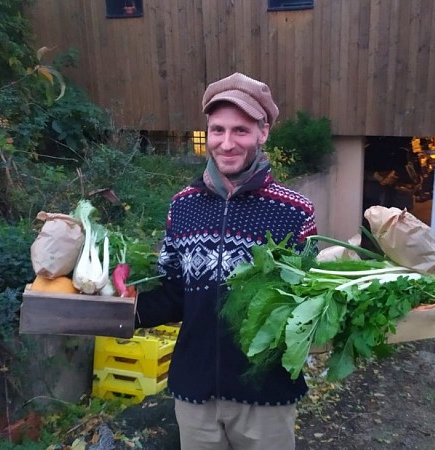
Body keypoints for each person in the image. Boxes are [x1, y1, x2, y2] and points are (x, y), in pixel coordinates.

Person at [135, 72, 317, 449]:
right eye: (217, 130)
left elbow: (308, 304)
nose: (227, 143)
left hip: (265, 396)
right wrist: (112, 306)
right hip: (195, 394)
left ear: (263, 132)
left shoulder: (295, 211)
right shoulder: (182, 206)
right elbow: (173, 294)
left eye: (241, 131)